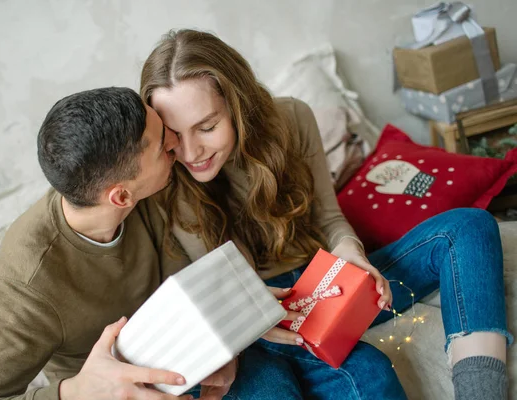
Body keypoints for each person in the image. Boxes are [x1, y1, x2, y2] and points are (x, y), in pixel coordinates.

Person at [140, 29, 512, 400]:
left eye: (207, 127)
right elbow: (198, 288)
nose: (190, 152)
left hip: (324, 281)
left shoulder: (292, 119)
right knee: (367, 376)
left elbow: (329, 219)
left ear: (238, 105)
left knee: (468, 226)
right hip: (248, 313)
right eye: (174, 134)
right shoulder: (161, 173)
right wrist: (253, 317)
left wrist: (351, 252)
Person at [0, 87, 298, 400]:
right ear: (120, 196)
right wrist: (75, 393)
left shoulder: (141, 180)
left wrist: (228, 321)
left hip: (202, 348)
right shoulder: (27, 286)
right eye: (163, 145)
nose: (176, 145)